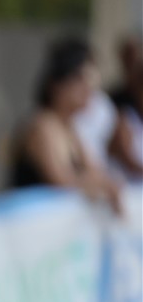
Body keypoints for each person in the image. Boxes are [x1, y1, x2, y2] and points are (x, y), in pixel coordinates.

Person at [8, 37, 122, 213]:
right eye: (80, 80)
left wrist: (107, 185)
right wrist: (101, 185)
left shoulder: (70, 128)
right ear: (57, 85)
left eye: (91, 81)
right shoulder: (42, 125)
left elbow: (94, 171)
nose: (88, 89)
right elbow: (61, 181)